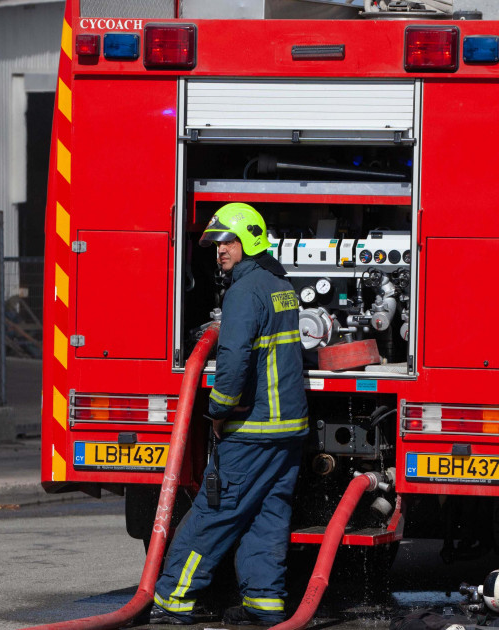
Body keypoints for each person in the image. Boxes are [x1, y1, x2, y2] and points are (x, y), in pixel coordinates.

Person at [151, 203, 309, 627]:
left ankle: (173, 596)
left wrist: (219, 410)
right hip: (288, 431)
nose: (220, 250)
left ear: (249, 242)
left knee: (215, 512)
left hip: (252, 429)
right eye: (217, 243)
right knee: (268, 516)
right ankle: (264, 602)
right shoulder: (281, 285)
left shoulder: (243, 292)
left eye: (228, 241)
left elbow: (235, 358)